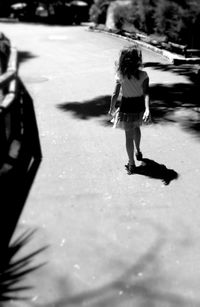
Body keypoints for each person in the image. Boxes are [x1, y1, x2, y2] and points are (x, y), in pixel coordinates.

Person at [108, 45, 150, 175]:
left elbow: (115, 94)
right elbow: (146, 93)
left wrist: (111, 108)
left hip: (126, 107)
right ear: (137, 60)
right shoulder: (143, 75)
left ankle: (131, 163)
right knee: (137, 128)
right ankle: (138, 150)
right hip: (139, 107)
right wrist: (148, 109)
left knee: (128, 137)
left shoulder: (120, 75)